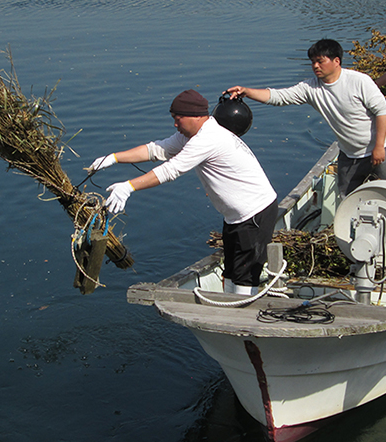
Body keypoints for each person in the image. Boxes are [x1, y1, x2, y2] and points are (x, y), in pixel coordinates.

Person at [87, 89, 278, 295]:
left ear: (196, 117)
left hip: (254, 213)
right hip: (234, 217)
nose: (175, 125)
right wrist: (114, 157)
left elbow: (171, 170)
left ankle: (241, 320)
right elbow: (155, 150)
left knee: (244, 276)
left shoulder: (208, 138)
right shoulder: (191, 135)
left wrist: (129, 186)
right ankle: (230, 307)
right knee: (231, 272)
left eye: (178, 119)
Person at [226, 38, 386, 197]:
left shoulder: (359, 81)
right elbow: (279, 97)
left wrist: (379, 146)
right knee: (348, 198)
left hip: (379, 148)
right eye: (313, 62)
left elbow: (382, 111)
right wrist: (246, 91)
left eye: (320, 61)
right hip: (349, 153)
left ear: (336, 61)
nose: (315, 66)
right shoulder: (311, 88)